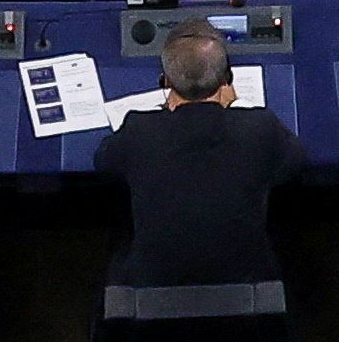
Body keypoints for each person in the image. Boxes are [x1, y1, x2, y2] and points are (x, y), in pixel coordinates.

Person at [94, 18, 298, 290]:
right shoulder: (259, 126)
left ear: (166, 81)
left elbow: (103, 161)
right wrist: (237, 107)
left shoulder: (140, 129)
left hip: (156, 279)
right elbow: (296, 163)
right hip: (244, 276)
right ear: (227, 79)